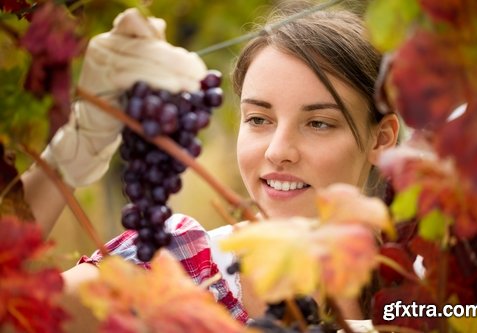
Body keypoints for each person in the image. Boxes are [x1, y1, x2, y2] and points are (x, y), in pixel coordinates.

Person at [21, 2, 399, 330]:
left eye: (318, 123)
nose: (278, 151)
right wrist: (69, 157)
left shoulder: (430, 281)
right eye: (258, 119)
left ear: (382, 139)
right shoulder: (177, 263)